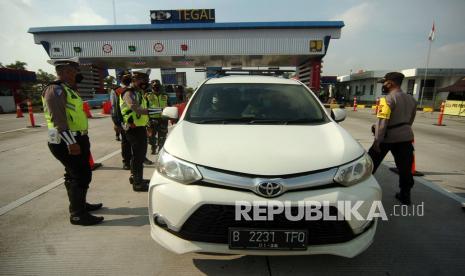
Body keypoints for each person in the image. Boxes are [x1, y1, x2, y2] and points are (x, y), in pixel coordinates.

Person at [42, 57, 103, 225]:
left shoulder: (68, 89)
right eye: (74, 70)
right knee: (81, 175)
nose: (77, 73)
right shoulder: (55, 90)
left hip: (77, 137)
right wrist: (71, 142)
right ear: (65, 72)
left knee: (73, 174)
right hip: (66, 140)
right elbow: (58, 120)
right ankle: (78, 214)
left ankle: (79, 205)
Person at [368, 72, 417, 205]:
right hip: (406, 138)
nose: (383, 85)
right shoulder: (411, 99)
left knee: (369, 165)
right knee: (405, 168)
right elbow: (411, 120)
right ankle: (405, 196)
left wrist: (377, 141)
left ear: (391, 83)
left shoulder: (388, 99)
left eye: (384, 82)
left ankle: (362, 191)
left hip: (387, 138)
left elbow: (382, 123)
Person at [120, 69, 160, 192]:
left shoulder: (139, 92)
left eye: (146, 80)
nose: (145, 82)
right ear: (134, 79)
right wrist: (159, 111)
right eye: (142, 79)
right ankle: (138, 183)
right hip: (133, 129)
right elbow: (136, 109)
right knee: (138, 156)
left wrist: (147, 125)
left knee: (139, 155)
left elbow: (142, 113)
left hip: (140, 128)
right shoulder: (129, 93)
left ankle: (137, 178)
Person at [111, 70, 133, 170]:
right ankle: (126, 161)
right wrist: (116, 122)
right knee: (126, 142)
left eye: (129, 75)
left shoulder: (133, 88)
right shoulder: (116, 90)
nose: (128, 77)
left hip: (136, 120)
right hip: (124, 121)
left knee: (137, 141)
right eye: (126, 76)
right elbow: (114, 107)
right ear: (121, 78)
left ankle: (138, 159)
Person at [146, 80, 168, 154]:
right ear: (151, 86)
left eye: (157, 86)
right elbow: (145, 108)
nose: (156, 87)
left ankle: (160, 150)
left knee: (162, 137)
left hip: (163, 119)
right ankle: (153, 146)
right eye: (154, 86)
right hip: (152, 119)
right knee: (151, 137)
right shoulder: (147, 96)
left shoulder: (165, 95)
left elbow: (169, 107)